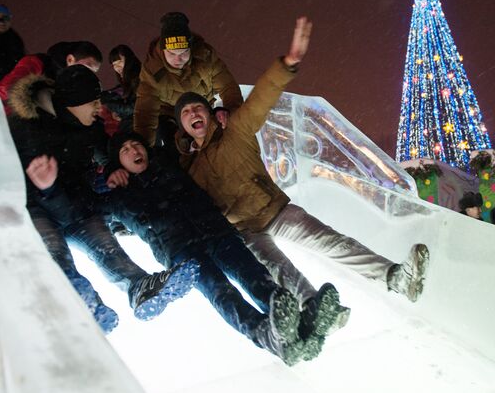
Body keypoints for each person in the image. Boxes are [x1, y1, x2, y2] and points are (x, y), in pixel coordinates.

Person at [175, 17, 430, 303]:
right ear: (182, 126)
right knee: (279, 269)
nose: (194, 114)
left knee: (331, 241)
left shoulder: (235, 130)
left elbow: (261, 98)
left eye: (198, 107)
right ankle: (314, 307)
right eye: (186, 113)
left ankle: (394, 278)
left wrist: (287, 63)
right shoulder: (188, 171)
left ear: (210, 113)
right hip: (243, 230)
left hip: (273, 208)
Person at [104, 131, 346, 364]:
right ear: (118, 163)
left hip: (215, 230)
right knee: (221, 293)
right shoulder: (120, 195)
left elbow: (169, 131)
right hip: (181, 251)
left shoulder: (167, 163)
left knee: (253, 273)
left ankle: (297, 326)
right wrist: (111, 180)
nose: (133, 150)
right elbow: (114, 212)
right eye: (125, 150)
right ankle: (268, 336)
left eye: (136, 144)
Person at [7, 64, 198, 333]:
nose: (99, 107)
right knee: (56, 255)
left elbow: (101, 152)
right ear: (72, 103)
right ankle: (85, 305)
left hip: (74, 199)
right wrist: (47, 187)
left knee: (106, 246)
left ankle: (140, 287)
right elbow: (27, 178)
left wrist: (112, 169)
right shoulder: (27, 128)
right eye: (93, 102)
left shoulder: (89, 125)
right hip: (36, 204)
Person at [133, 12, 242, 149]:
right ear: (162, 50)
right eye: (172, 54)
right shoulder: (152, 71)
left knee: (218, 145)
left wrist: (232, 115)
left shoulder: (206, 57)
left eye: (184, 52)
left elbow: (228, 87)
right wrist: (143, 149)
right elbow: (146, 113)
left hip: (203, 111)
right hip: (170, 116)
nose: (178, 60)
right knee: (174, 148)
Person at [0, 40, 104, 115]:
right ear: (70, 59)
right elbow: (8, 87)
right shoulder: (39, 63)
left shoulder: (74, 86)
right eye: (86, 68)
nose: (86, 74)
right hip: (3, 119)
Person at [100, 45, 141, 136]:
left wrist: (109, 104)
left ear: (129, 60)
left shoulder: (141, 78)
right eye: (114, 64)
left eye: (119, 62)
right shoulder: (126, 82)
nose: (117, 67)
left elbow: (136, 108)